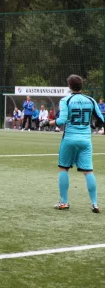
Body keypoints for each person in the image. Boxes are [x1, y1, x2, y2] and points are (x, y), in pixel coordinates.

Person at [43, 74, 103, 213]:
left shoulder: (66, 100)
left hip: (69, 139)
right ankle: (94, 204)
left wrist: (48, 122)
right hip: (86, 140)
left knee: (63, 168)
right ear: (81, 86)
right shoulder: (91, 100)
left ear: (69, 86)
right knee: (88, 171)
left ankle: (64, 202)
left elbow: (61, 120)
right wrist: (93, 125)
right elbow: (101, 120)